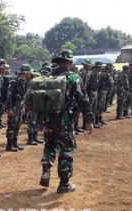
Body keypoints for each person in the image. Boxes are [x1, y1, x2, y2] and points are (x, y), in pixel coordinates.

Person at [38, 49, 94, 193]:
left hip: (48, 120)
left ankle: (46, 171)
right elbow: (83, 100)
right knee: (66, 150)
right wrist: (89, 119)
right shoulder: (73, 78)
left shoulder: (49, 77)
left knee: (49, 145)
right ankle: (64, 184)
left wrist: (40, 120)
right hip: (65, 121)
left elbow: (40, 100)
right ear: (69, 62)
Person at [5, 64, 32, 152]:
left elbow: (23, 96)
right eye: (29, 72)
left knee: (18, 124)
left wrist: (23, 107)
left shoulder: (24, 82)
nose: (30, 73)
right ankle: (9, 145)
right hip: (13, 105)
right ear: (25, 72)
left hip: (20, 106)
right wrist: (9, 108)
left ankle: (14, 143)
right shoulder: (14, 81)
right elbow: (8, 95)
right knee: (12, 125)